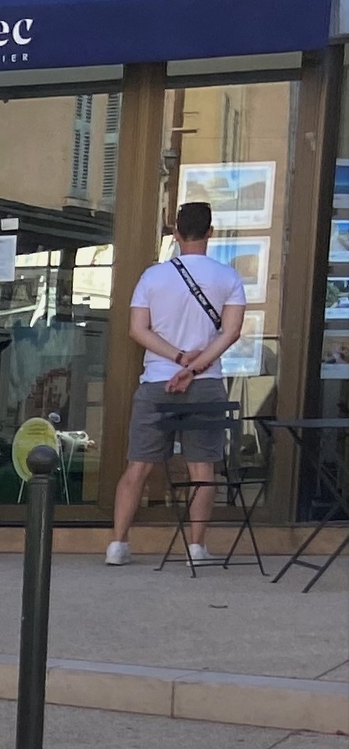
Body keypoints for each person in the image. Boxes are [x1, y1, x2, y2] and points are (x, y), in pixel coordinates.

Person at [108, 200, 243, 567]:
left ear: (176, 233)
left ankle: (118, 544)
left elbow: (138, 330)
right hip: (206, 383)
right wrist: (196, 367)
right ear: (211, 233)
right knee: (203, 468)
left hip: (156, 380)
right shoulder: (228, 277)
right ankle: (196, 549)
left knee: (137, 466)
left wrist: (179, 359)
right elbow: (230, 333)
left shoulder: (152, 277)